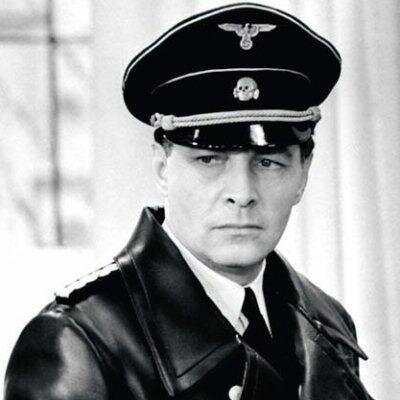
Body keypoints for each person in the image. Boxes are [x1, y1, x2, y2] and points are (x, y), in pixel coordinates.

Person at [4, 3, 374, 400]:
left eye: (268, 162)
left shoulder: (327, 324)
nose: (242, 193)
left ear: (303, 173)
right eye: (209, 160)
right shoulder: (79, 344)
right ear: (162, 166)